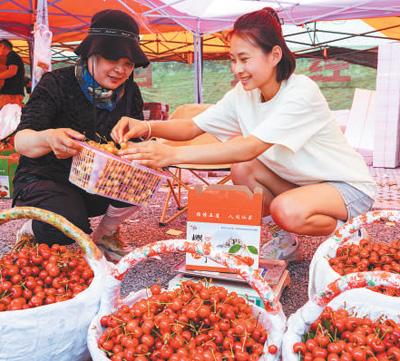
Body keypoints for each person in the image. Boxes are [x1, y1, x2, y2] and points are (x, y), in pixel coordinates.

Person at [112, 7, 376, 261]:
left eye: (244, 59)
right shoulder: (244, 94)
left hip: (345, 187)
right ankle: (286, 242)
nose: (237, 69)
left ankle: (348, 230)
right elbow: (193, 126)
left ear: (274, 55)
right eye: (233, 60)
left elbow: (250, 146)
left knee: (286, 210)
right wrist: (146, 127)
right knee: (242, 169)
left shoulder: (301, 91)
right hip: (301, 184)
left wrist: (171, 154)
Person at [13, 9, 150, 261]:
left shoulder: (130, 92)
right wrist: (49, 138)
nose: (120, 70)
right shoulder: (57, 83)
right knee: (66, 224)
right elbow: (21, 141)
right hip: (46, 176)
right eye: (113, 60)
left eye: (128, 64)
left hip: (97, 179)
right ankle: (34, 228)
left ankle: (106, 234)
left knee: (141, 181)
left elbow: (137, 138)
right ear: (91, 53)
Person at [0, 39, 25, 108]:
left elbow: (12, 72)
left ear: (2, 46)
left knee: (9, 115)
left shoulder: (12, 56)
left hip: (12, 93)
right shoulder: (10, 56)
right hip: (10, 92)